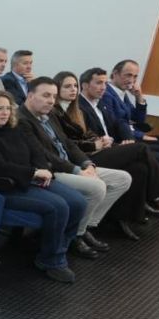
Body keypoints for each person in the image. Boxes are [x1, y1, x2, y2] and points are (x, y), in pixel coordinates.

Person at [0, 91, 86, 283]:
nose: (5, 113)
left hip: (29, 179)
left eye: (8, 108)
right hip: (4, 187)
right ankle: (50, 260)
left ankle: (59, 247)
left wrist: (42, 169)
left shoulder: (15, 129)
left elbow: (36, 151)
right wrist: (33, 173)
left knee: (78, 202)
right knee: (58, 206)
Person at [15, 77, 132, 258]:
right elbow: (44, 155)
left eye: (53, 96)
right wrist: (78, 171)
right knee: (97, 187)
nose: (51, 101)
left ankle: (85, 227)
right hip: (51, 171)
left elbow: (68, 143)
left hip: (71, 165)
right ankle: (75, 235)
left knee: (123, 179)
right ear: (30, 96)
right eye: (46, 95)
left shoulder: (50, 114)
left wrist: (87, 164)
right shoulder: (22, 120)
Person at [74, 68, 159, 214]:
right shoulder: (79, 106)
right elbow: (83, 136)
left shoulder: (99, 103)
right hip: (95, 153)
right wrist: (111, 142)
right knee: (143, 148)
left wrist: (128, 139)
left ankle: (137, 211)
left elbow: (122, 122)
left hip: (111, 145)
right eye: (99, 83)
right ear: (85, 85)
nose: (104, 87)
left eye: (105, 83)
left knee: (140, 168)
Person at [105, 59, 159, 189]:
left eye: (135, 76)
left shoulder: (122, 93)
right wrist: (141, 136)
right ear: (115, 74)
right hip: (124, 138)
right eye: (128, 75)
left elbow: (139, 120)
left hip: (133, 133)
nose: (131, 80)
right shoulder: (107, 93)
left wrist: (139, 97)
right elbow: (117, 124)